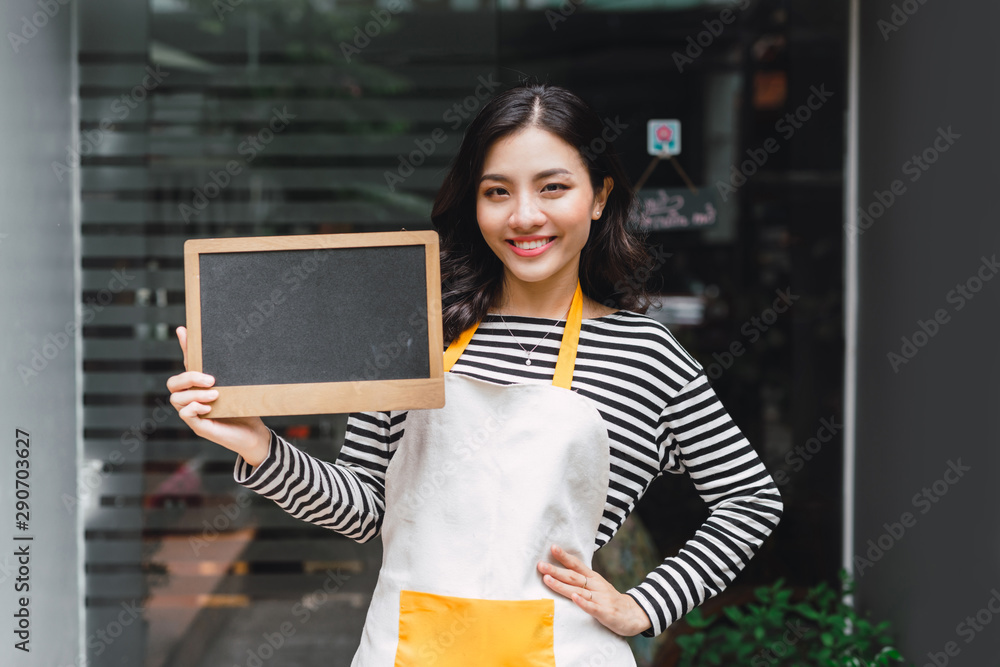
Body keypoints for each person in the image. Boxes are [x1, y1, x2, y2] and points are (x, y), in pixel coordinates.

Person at [167, 81, 783, 666]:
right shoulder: (416, 335)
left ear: (599, 196)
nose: (524, 216)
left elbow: (750, 501)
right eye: (497, 192)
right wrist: (260, 446)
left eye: (553, 188)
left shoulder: (644, 353)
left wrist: (643, 607)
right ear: (475, 203)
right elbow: (365, 509)